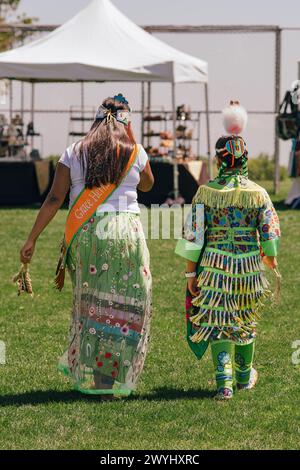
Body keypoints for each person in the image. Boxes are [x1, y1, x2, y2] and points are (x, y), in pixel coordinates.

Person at [20, 94, 154, 397]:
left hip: (88, 232)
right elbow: (147, 185)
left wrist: (32, 238)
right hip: (126, 232)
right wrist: (133, 141)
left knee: (93, 303)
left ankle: (97, 375)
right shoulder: (135, 151)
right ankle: (111, 374)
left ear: (95, 119)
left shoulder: (74, 151)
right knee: (128, 304)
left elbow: (54, 198)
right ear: (127, 122)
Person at [175, 102, 281, 400]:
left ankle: (224, 383)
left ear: (220, 161)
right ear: (244, 159)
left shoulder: (206, 192)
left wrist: (191, 273)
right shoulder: (258, 193)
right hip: (248, 267)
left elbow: (193, 237)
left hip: (214, 266)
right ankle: (245, 378)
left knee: (219, 322)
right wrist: (269, 259)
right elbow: (270, 232)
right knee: (244, 318)